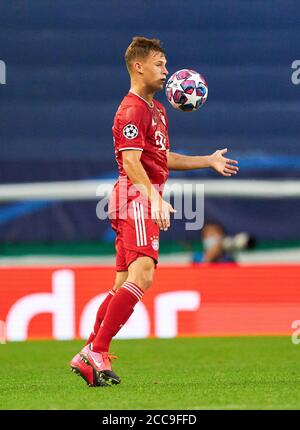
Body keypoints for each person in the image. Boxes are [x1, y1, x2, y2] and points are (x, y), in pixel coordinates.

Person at [70, 36, 239, 387]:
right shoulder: (131, 109)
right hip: (135, 197)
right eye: (160, 64)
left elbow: (163, 159)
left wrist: (207, 160)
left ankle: (89, 352)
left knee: (122, 285)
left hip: (137, 196)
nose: (166, 71)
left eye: (166, 64)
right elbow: (132, 162)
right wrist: (155, 199)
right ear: (139, 66)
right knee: (143, 274)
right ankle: (97, 350)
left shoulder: (157, 110)